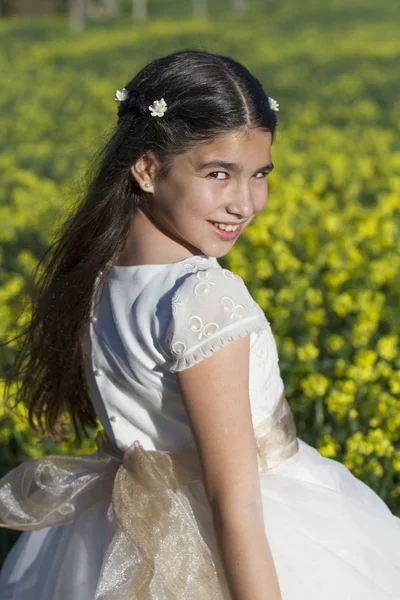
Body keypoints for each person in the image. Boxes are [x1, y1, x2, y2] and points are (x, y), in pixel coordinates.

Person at [0, 49, 399, 600]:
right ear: (145, 168)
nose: (245, 203)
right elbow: (234, 503)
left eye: (260, 174)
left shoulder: (98, 275)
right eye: (219, 174)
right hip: (256, 544)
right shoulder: (204, 295)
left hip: (108, 540)